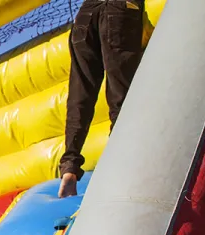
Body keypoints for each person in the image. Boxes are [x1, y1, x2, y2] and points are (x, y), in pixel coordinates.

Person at [58, 0, 145, 198]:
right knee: (121, 94)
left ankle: (70, 166)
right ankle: (122, 163)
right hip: (120, 8)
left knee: (80, 94)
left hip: (86, 14)